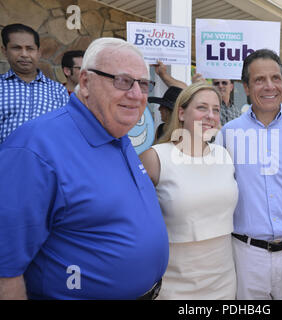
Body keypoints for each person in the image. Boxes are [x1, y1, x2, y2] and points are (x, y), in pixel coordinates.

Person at [0, 37, 169, 300]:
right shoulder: (34, 148)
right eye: (123, 81)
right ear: (87, 82)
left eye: (143, 84)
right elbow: (5, 270)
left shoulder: (117, 133)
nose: (137, 95)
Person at [219, 49, 282, 299]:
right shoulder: (227, 134)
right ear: (246, 86)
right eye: (259, 80)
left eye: (275, 78)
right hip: (246, 255)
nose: (269, 86)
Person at [139, 82, 239, 299]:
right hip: (174, 283)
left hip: (223, 280)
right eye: (202, 108)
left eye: (215, 109)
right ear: (182, 112)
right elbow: (135, 221)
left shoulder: (224, 156)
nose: (211, 115)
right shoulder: (156, 158)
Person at [0, 23, 69, 144]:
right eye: (16, 48)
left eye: (30, 48)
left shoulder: (58, 91)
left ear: (39, 52)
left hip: (45, 161)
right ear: (4, 51)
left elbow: (65, 132)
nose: (24, 54)